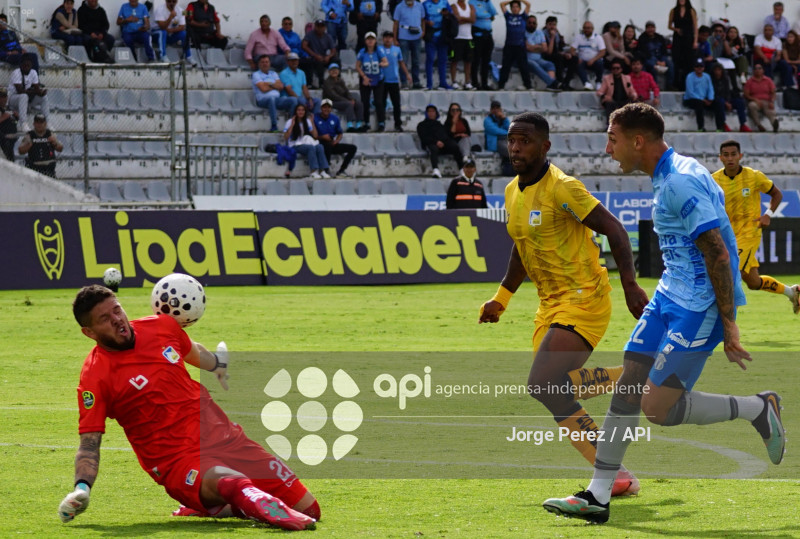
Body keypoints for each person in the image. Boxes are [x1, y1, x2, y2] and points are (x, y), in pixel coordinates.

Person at [542, 102, 785, 525]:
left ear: (638, 141)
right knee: (628, 385)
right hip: (669, 297)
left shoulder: (679, 182)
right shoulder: (668, 175)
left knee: (659, 409)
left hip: (699, 308)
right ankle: (598, 496)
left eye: (612, 139)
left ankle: (758, 408)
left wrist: (729, 324)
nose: (606, 149)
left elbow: (716, 250)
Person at [479, 111, 648, 497]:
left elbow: (616, 230)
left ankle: (628, 392)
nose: (516, 148)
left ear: (545, 146)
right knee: (553, 390)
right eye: (512, 141)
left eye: (525, 141)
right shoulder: (511, 191)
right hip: (549, 306)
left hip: (584, 298)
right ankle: (618, 472)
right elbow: (522, 247)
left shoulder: (564, 188)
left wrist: (630, 286)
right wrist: (501, 298)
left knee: (542, 383)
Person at [57, 285, 317, 530]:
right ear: (89, 333)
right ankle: (233, 500)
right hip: (178, 460)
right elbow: (89, 443)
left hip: (226, 438)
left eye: (116, 309)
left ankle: (212, 507)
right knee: (230, 482)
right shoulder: (95, 377)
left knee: (310, 509)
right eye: (104, 318)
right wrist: (82, 488)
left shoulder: (161, 327)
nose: (116, 319)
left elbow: (193, 352)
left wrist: (218, 365)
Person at [712, 139, 800, 312]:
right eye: (726, 155)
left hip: (749, 232)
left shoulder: (754, 176)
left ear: (740, 156)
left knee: (729, 270)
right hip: (728, 234)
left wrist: (767, 215)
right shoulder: (713, 180)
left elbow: (777, 194)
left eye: (733, 154)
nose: (730, 158)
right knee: (753, 282)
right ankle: (793, 292)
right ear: (720, 157)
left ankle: (726, 322)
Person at [284, 103, 329, 179]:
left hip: (305, 143)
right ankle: (313, 171)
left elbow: (315, 135)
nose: (301, 112)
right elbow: (285, 137)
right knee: (311, 148)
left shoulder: (307, 121)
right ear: (295, 111)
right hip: (294, 145)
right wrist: (292, 125)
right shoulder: (290, 121)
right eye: (299, 110)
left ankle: (322, 170)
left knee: (320, 146)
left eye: (302, 110)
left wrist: (312, 122)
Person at [417, 104, 463, 178]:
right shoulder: (421, 125)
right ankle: (435, 170)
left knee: (454, 146)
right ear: (426, 113)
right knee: (433, 148)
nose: (431, 113)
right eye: (429, 111)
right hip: (431, 144)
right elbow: (424, 137)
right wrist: (436, 142)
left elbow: (445, 135)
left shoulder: (439, 124)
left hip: (442, 145)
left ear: (436, 113)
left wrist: (443, 142)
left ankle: (461, 170)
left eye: (433, 111)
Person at [315, 98, 358, 177]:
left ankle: (342, 170)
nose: (326, 109)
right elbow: (313, 135)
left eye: (328, 107)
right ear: (321, 108)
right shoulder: (315, 118)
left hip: (331, 142)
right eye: (324, 107)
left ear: (331, 109)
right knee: (326, 144)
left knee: (353, 148)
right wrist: (322, 137)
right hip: (319, 142)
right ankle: (326, 169)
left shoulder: (335, 118)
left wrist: (337, 140)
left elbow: (340, 133)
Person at [253, 55, 295, 133]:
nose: (265, 64)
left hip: (277, 99)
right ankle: (274, 125)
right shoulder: (256, 74)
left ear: (269, 63)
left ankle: (291, 125)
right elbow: (263, 89)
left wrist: (268, 84)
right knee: (271, 99)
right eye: (262, 62)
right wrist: (274, 85)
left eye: (266, 62)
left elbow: (281, 86)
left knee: (293, 100)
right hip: (262, 100)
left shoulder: (274, 73)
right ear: (259, 64)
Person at [356, 31, 387, 132]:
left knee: (378, 101)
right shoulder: (362, 52)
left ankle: (381, 123)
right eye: (368, 39)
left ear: (375, 41)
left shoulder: (379, 50)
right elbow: (357, 66)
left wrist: (382, 64)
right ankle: (366, 122)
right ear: (365, 41)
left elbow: (386, 62)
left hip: (378, 78)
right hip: (366, 78)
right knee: (365, 101)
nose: (370, 41)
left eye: (372, 39)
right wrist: (364, 77)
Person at [8, 55, 48, 132]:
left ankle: (47, 122)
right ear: (21, 65)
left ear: (31, 65)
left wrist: (41, 92)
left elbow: (36, 88)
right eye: (24, 65)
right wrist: (36, 92)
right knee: (23, 96)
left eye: (28, 65)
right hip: (13, 99)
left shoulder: (33, 72)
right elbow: (20, 91)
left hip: (27, 100)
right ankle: (23, 123)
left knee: (44, 98)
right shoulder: (16, 72)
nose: (26, 67)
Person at [322, 62, 366, 132]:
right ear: (329, 72)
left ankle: (359, 124)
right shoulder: (327, 82)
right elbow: (333, 95)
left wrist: (352, 99)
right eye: (332, 70)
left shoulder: (340, 80)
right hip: (331, 102)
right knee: (348, 104)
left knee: (359, 104)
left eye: (336, 70)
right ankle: (350, 125)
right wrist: (347, 101)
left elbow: (346, 92)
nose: (334, 72)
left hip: (342, 100)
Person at [379, 31, 409, 132]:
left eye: (389, 37)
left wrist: (407, 74)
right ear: (383, 39)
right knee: (381, 103)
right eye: (386, 37)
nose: (387, 39)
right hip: (382, 80)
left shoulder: (397, 49)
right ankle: (381, 123)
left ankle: (398, 124)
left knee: (396, 103)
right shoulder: (379, 49)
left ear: (392, 39)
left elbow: (401, 63)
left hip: (394, 80)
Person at [497, 0, 530, 90]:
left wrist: (520, 0)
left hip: (520, 46)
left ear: (519, 8)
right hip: (509, 46)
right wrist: (512, 1)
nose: (515, 9)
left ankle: (528, 85)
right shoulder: (508, 16)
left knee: (523, 66)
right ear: (511, 9)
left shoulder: (523, 17)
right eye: (513, 7)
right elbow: (502, 4)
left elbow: (528, 4)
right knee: (506, 67)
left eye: (517, 7)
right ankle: (501, 86)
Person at [393, 0, 425, 89]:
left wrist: (423, 31)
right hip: (404, 37)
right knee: (403, 61)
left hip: (417, 37)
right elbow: (396, 23)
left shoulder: (419, 6)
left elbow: (423, 20)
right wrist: (395, 39)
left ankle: (416, 82)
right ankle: (404, 82)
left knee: (416, 61)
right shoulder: (399, 7)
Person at [18, 114, 62, 178]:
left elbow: (60, 148)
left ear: (45, 124)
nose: (39, 125)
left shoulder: (50, 134)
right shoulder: (29, 135)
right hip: (34, 168)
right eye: (37, 122)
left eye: (41, 122)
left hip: (49, 168)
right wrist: (28, 146)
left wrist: (54, 143)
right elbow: (20, 150)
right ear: (34, 124)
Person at [710, 62, 749, 132]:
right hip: (716, 101)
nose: (717, 72)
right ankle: (723, 124)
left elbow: (728, 92)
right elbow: (713, 94)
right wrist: (725, 103)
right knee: (720, 102)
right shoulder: (710, 80)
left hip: (726, 100)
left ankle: (743, 124)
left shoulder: (725, 79)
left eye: (719, 70)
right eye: (716, 70)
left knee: (740, 102)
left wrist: (728, 101)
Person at [667, 0, 697, 91]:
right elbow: (669, 25)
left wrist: (695, 41)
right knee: (676, 60)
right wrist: (676, 29)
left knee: (688, 62)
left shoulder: (691, 11)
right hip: (678, 38)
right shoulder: (673, 10)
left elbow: (695, 27)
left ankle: (688, 84)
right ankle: (676, 84)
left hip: (688, 38)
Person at [525, 15, 561, 91]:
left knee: (550, 64)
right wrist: (538, 47)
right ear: (526, 23)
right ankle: (552, 83)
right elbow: (527, 48)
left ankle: (551, 86)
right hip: (526, 59)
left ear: (536, 24)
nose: (532, 24)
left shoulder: (539, 32)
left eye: (534, 23)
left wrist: (533, 47)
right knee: (534, 64)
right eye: (529, 23)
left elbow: (545, 49)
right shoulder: (523, 32)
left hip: (538, 58)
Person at [567, 21, 605, 91]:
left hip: (595, 61)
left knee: (600, 63)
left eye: (588, 28)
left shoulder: (598, 38)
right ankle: (586, 83)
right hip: (583, 61)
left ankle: (598, 82)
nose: (586, 30)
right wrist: (577, 57)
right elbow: (572, 50)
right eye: (584, 28)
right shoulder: (579, 37)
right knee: (578, 64)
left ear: (592, 29)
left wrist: (593, 59)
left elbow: (603, 52)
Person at [597, 59, 637, 123]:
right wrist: (605, 96)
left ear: (621, 69)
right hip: (612, 100)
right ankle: (610, 124)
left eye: (617, 68)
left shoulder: (627, 78)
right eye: (613, 68)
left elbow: (631, 90)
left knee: (635, 102)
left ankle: (632, 125)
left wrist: (634, 95)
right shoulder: (607, 78)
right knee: (609, 104)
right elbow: (600, 92)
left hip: (624, 100)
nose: (615, 70)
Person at [301, 20, 338, 89]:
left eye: (322, 26)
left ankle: (337, 81)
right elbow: (304, 45)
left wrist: (328, 56)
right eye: (318, 26)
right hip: (313, 57)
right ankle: (321, 83)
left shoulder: (328, 36)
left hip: (324, 57)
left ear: (325, 27)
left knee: (336, 60)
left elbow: (333, 50)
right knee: (317, 62)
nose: (320, 28)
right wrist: (315, 55)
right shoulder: (310, 35)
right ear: (315, 27)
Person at [754, 23, 793, 88]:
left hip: (773, 60)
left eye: (770, 30)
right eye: (766, 30)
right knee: (766, 66)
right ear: (763, 31)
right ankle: (770, 87)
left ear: (773, 32)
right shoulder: (759, 38)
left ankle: (788, 86)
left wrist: (777, 58)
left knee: (785, 65)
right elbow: (757, 50)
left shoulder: (777, 40)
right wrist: (764, 58)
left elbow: (778, 53)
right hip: (761, 60)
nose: (768, 32)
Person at [636, 21, 673, 90]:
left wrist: (663, 60)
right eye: (648, 28)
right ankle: (655, 86)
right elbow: (644, 53)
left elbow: (664, 51)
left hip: (661, 57)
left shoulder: (660, 37)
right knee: (653, 67)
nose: (650, 29)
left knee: (671, 65)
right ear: (646, 29)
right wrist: (656, 62)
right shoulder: (642, 38)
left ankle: (669, 85)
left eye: (652, 27)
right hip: (649, 58)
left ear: (655, 28)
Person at [683, 57, 716, 132]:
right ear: (694, 67)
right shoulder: (690, 77)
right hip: (691, 99)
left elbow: (710, 89)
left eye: (701, 66)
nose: (699, 68)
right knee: (699, 104)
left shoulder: (707, 76)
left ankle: (720, 126)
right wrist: (702, 99)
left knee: (718, 103)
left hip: (704, 99)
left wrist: (711, 98)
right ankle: (701, 127)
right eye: (697, 66)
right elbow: (690, 92)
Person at [421, 0, 449, 89]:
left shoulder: (444, 3)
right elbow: (421, 18)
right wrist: (427, 22)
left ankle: (443, 82)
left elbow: (450, 16)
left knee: (443, 60)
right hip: (431, 35)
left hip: (442, 35)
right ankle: (429, 84)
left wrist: (445, 14)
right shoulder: (425, 4)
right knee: (430, 59)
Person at [469, 0, 496, 90]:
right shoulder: (472, 2)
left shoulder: (486, 3)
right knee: (476, 60)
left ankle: (484, 83)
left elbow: (493, 12)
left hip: (488, 35)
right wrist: (487, 15)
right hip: (477, 36)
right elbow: (478, 14)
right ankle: (475, 82)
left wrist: (488, 2)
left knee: (486, 61)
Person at [744, 63, 779, 132]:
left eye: (759, 68)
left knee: (770, 110)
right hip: (755, 101)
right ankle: (759, 125)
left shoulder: (768, 80)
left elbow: (773, 93)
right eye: (756, 69)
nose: (758, 70)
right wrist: (754, 99)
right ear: (753, 71)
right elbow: (746, 95)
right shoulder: (749, 81)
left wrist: (772, 101)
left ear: (763, 70)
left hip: (767, 101)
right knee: (752, 106)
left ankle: (774, 124)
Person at [449, 0, 475, 89]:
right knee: (454, 60)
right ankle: (454, 81)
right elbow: (456, 20)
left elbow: (473, 19)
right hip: (457, 37)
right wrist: (467, 19)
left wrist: (462, 19)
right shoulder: (454, 6)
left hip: (468, 37)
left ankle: (467, 81)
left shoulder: (470, 6)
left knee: (468, 61)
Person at [541, 16, 568, 88]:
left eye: (554, 25)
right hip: (545, 56)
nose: (552, 27)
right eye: (550, 24)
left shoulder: (557, 34)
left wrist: (565, 53)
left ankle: (566, 82)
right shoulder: (542, 34)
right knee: (558, 58)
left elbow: (561, 47)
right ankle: (560, 81)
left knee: (573, 59)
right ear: (546, 25)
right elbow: (548, 52)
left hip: (556, 55)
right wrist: (552, 37)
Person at [0, 88, 18, 161]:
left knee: (11, 162)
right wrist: (3, 118)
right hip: (2, 141)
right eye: (1, 96)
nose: (3, 99)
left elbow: (14, 122)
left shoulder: (9, 109)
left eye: (4, 96)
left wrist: (16, 117)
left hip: (11, 141)